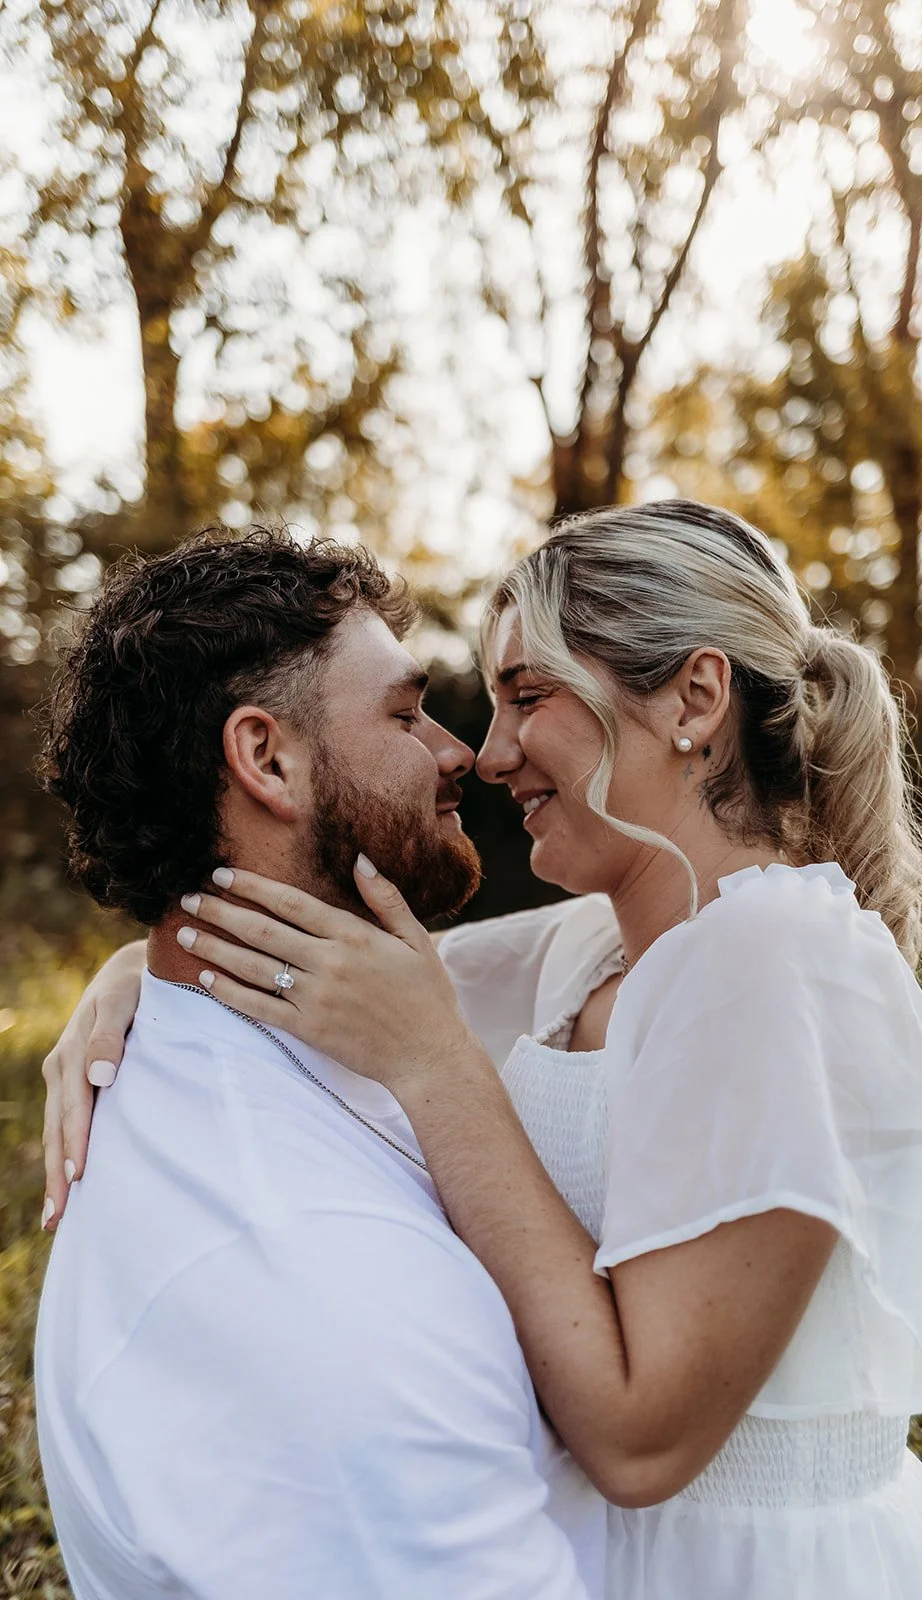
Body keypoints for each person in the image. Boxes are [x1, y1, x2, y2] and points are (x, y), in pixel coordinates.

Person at [44, 502, 922, 1600]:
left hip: (757, 1564)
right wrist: (134, 976)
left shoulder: (777, 958)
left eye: (528, 695)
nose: (491, 753)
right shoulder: (581, 951)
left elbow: (643, 1443)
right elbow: (323, 954)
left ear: (694, 700)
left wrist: (440, 1070)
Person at [33, 527, 605, 1600]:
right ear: (267, 760)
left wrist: (138, 963)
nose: (458, 753)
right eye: (402, 711)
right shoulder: (314, 1281)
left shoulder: (242, 1045)